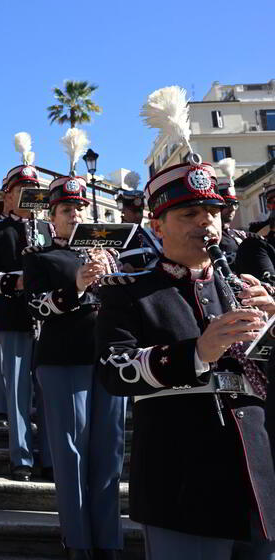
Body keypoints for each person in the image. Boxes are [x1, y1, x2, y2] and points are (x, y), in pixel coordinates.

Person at [96, 105, 275, 558]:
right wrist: (197, 352)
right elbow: (113, 371)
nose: (205, 223)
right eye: (189, 214)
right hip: (183, 480)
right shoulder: (129, 292)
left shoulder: (244, 285)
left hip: (259, 475)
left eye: (212, 213)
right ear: (157, 226)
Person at [24, 167, 126, 559]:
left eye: (80, 207)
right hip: (63, 360)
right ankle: (79, 542)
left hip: (108, 362)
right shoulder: (42, 259)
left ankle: (109, 541)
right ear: (52, 216)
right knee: (71, 457)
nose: (75, 214)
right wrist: (79, 284)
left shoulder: (110, 255)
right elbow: (38, 307)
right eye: (67, 208)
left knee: (109, 454)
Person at [0, 135, 52, 482]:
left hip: (52, 320)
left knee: (49, 391)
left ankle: (49, 454)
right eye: (23, 189)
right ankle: (21, 455)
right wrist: (16, 281)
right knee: (18, 391)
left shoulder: (50, 231)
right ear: (7, 195)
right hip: (13, 316)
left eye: (34, 189)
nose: (30, 195)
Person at [115, 189, 162, 272]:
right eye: (134, 211)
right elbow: (107, 259)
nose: (138, 215)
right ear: (123, 210)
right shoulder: (115, 233)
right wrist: (120, 266)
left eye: (140, 211)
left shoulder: (150, 233)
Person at [217, 170, 246, 272]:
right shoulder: (211, 236)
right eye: (228, 204)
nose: (232, 209)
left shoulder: (238, 234)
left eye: (235, 205)